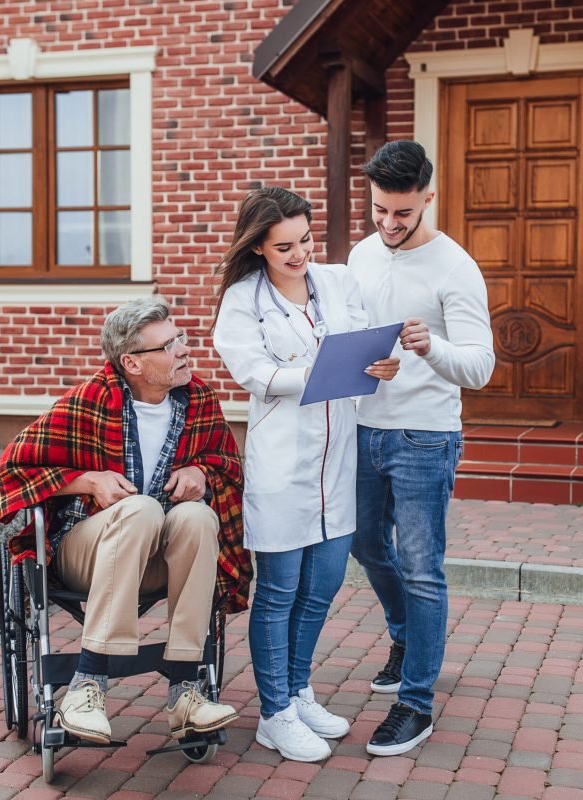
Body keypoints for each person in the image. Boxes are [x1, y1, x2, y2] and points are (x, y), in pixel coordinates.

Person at [0, 298, 252, 745]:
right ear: (131, 362)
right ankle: (87, 685)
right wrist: (86, 481)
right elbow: (11, 471)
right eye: (169, 345)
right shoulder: (91, 401)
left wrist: (201, 473)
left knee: (195, 516)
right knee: (140, 508)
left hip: (156, 556)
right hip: (86, 550)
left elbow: (228, 466)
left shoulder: (198, 399)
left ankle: (187, 689)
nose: (185, 350)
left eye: (181, 338)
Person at [212, 186, 399, 762]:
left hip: (338, 459)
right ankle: (274, 714)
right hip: (282, 467)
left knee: (320, 591)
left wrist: (381, 364)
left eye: (306, 240)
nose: (299, 254)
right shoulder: (244, 299)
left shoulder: (339, 282)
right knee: (279, 594)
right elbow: (254, 373)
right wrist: (317, 371)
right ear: (260, 247)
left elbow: (366, 342)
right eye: (284, 246)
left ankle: (297, 691)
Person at [348, 140, 495, 756]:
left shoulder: (455, 267)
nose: (388, 224)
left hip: (424, 438)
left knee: (421, 568)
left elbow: (482, 366)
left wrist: (429, 347)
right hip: (362, 426)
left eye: (402, 213)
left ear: (427, 199)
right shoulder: (359, 254)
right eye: (379, 209)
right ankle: (406, 633)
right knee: (360, 544)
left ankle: (416, 704)